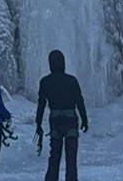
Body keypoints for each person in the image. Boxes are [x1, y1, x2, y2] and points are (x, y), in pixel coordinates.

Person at [33, 49, 88, 181]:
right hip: (71, 121)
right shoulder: (72, 80)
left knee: (54, 156)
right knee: (71, 158)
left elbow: (41, 104)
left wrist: (38, 123)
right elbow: (79, 101)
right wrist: (84, 119)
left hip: (55, 121)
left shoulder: (45, 82)